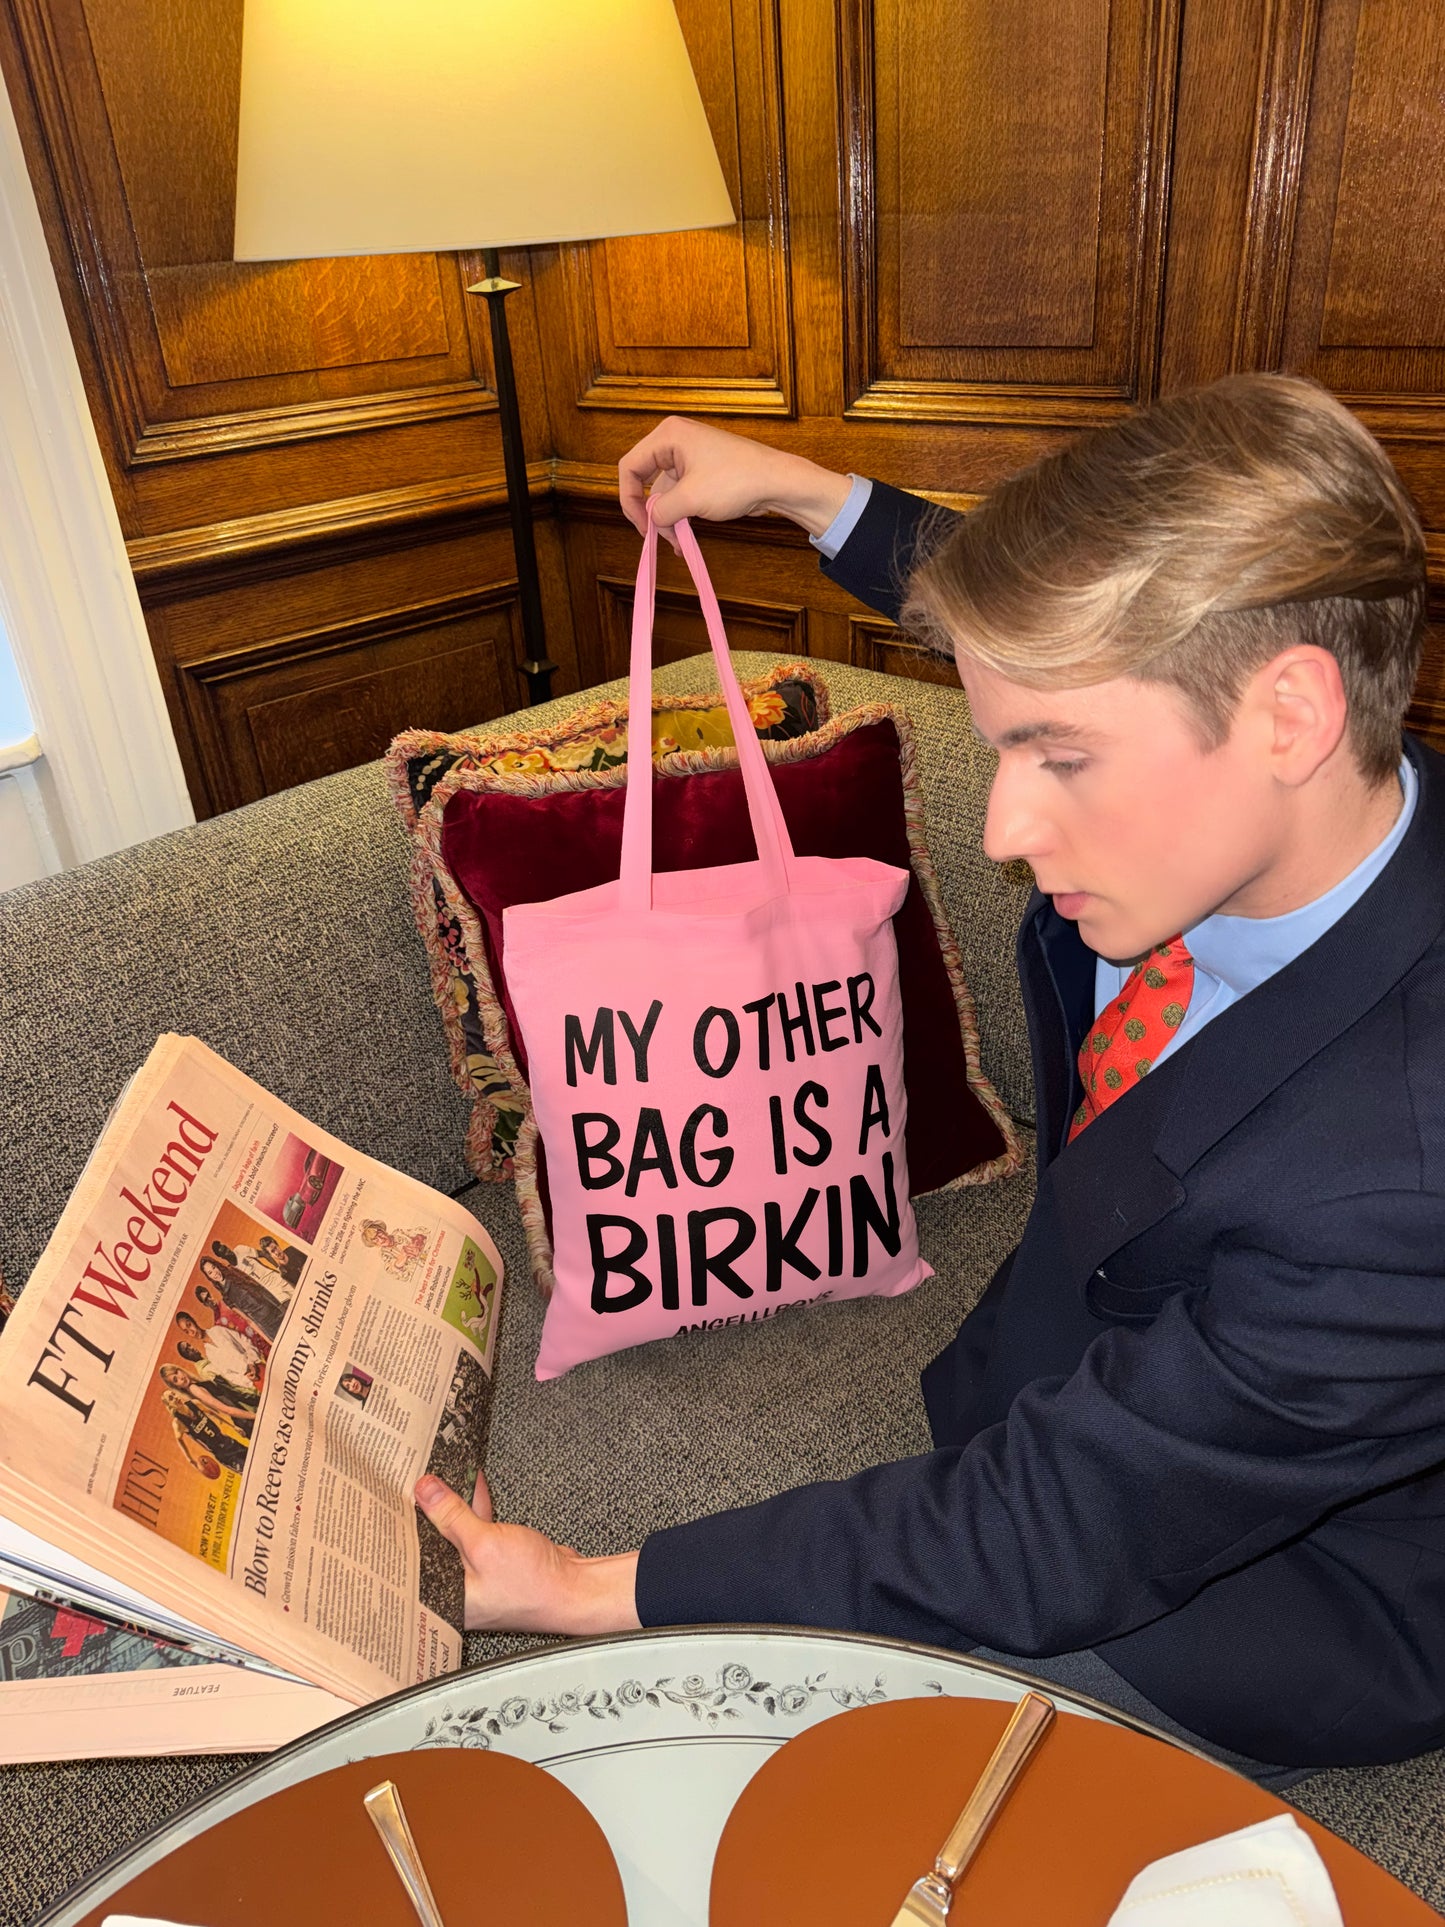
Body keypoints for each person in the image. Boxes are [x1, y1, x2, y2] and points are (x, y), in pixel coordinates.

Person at [415, 376, 1445, 1784]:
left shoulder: (1400, 1173)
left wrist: (586, 1589)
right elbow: (1085, 620)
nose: (1004, 826)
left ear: (1289, 713)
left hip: (1264, 1587)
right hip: (1076, 1358)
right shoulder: (1284, 779)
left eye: (1056, 755)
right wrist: (796, 491)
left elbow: (1057, 1527)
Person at [196, 1255, 286, 1340]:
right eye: (210, 1272)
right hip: (267, 1325)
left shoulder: (232, 1272)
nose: (215, 1272)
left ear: (217, 1265)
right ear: (209, 1277)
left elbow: (259, 1288)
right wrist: (268, 1338)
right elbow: (249, 1320)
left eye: (214, 1267)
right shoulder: (226, 1299)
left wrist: (279, 1306)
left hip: (274, 1311)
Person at [175, 1310, 261, 1390]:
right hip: (254, 1381)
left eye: (189, 1325)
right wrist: (247, 1379)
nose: (191, 1332)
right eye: (187, 1331)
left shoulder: (218, 1330)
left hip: (258, 1364)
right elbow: (229, 1376)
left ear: (193, 1320)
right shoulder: (210, 1354)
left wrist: (251, 1362)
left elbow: (246, 1342)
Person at [194, 1284, 272, 1360]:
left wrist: (267, 1338)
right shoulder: (217, 1324)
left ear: (210, 1293)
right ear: (205, 1304)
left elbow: (249, 1319)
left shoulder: (226, 1302)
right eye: (206, 1300)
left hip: (261, 1335)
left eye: (208, 1296)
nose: (209, 1300)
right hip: (253, 1348)